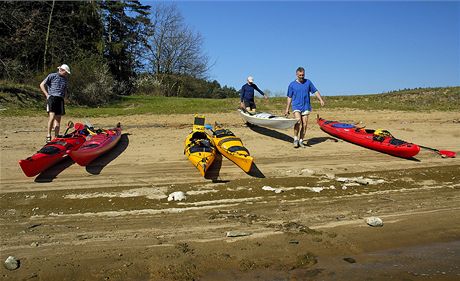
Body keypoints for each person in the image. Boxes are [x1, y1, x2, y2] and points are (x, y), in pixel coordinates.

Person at [285, 67, 325, 148]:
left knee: (305, 124)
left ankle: (301, 140)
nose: (301, 76)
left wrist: (321, 99)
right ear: (296, 74)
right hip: (296, 105)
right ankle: (295, 139)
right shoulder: (292, 85)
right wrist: (287, 109)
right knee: (298, 122)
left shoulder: (308, 82)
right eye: (300, 75)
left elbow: (315, 91)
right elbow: (289, 97)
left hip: (306, 106)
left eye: (303, 75)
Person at [40, 64, 71, 143]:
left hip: (60, 99)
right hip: (52, 98)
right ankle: (48, 135)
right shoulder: (52, 76)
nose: (66, 74)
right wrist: (47, 95)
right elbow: (42, 84)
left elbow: (65, 90)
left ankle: (56, 137)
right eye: (66, 72)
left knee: (58, 121)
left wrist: (65, 98)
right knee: (52, 117)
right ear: (61, 70)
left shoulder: (65, 80)